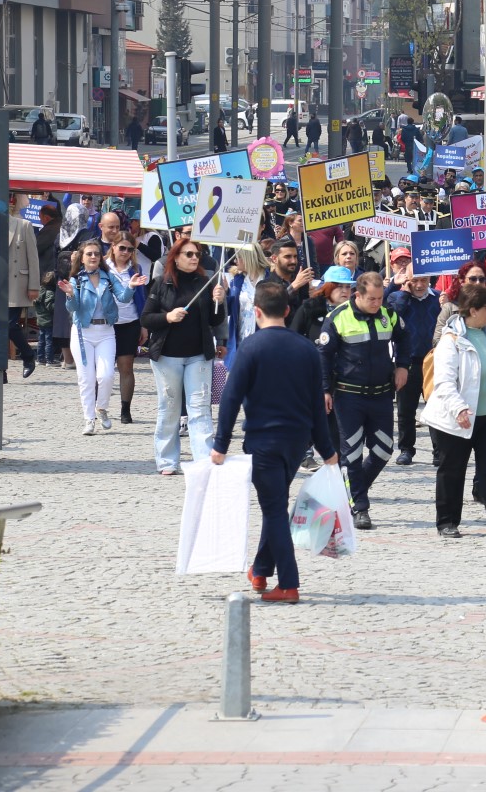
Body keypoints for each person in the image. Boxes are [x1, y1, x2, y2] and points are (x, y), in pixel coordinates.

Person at [212, 280, 338, 603]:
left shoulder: (251, 348)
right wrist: (327, 450)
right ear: (287, 310)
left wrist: (220, 444)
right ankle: (261, 569)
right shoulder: (307, 349)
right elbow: (316, 405)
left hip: (263, 443)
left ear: (256, 312)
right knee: (275, 504)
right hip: (297, 443)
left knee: (273, 510)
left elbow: (230, 398)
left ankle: (289, 583)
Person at [423, 282, 486, 538]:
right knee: (452, 470)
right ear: (474, 310)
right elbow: (444, 382)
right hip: (457, 417)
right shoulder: (450, 340)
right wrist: (459, 409)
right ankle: (447, 522)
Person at [318, 272, 409, 529]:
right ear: (358, 295)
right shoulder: (338, 317)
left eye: (380, 298)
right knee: (352, 454)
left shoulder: (388, 315)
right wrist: (325, 390)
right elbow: (323, 356)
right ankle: (360, 507)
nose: (377, 303)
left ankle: (351, 491)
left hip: (381, 394)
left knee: (383, 449)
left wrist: (402, 366)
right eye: (372, 298)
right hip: (349, 395)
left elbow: (404, 337)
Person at [141, 235, 228, 475]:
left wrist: (218, 301)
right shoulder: (161, 283)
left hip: (198, 355)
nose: (194, 258)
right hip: (167, 356)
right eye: (188, 254)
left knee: (199, 408)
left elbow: (214, 320)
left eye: (197, 254)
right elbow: (146, 318)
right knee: (169, 407)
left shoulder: (205, 281)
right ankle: (167, 461)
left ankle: (203, 461)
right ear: (176, 258)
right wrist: (167, 317)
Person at [59, 240, 140, 435]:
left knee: (106, 375)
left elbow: (123, 297)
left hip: (106, 331)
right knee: (85, 378)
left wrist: (130, 286)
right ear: (82, 258)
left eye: (96, 253)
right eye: (89, 254)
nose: (93, 257)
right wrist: (70, 295)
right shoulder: (76, 280)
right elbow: (73, 309)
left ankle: (101, 408)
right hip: (82, 333)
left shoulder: (108, 277)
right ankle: (89, 419)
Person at [386, 255, 441, 467]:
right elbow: (392, 319)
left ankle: (439, 451)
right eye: (414, 280)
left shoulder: (437, 298)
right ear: (407, 279)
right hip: (406, 362)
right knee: (406, 410)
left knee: (435, 409)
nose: (419, 285)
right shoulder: (397, 298)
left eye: (424, 281)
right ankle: (406, 449)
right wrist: (404, 294)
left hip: (432, 362)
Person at [106, 236, 153, 424]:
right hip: (106, 324)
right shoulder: (103, 266)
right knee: (103, 370)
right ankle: (96, 407)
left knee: (126, 367)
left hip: (129, 322)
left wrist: (143, 325)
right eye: (122, 248)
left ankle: (125, 409)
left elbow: (141, 297)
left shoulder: (135, 269)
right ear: (113, 247)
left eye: (130, 249)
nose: (126, 253)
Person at [8, 203, 41, 379]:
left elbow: (33, 258)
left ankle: (28, 356)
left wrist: (33, 285)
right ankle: (1, 372)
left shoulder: (23, 225)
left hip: (16, 285)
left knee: (9, 325)